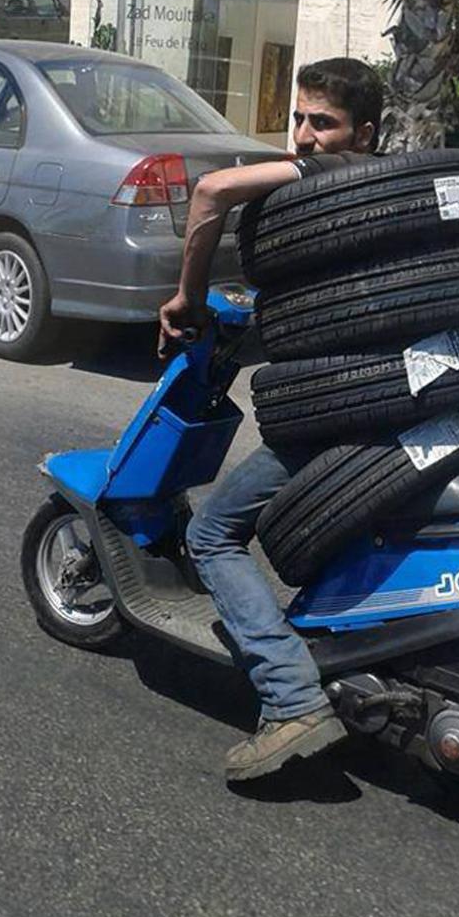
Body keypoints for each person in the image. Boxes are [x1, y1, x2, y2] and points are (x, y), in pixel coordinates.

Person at [158, 57, 383, 783]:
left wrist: (187, 300)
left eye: (325, 122)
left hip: (333, 409)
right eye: (298, 119)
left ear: (364, 134)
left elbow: (211, 191)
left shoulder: (331, 172)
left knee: (211, 533)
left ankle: (291, 698)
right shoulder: (392, 196)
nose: (306, 136)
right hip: (399, 397)